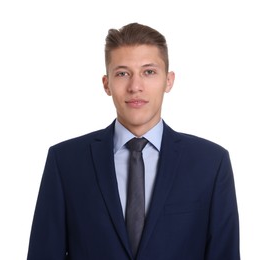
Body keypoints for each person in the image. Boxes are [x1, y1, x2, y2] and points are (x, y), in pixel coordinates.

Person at [27, 22, 240, 259]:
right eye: (122, 73)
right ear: (106, 84)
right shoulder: (65, 162)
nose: (135, 87)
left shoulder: (210, 163)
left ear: (168, 81)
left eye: (149, 72)